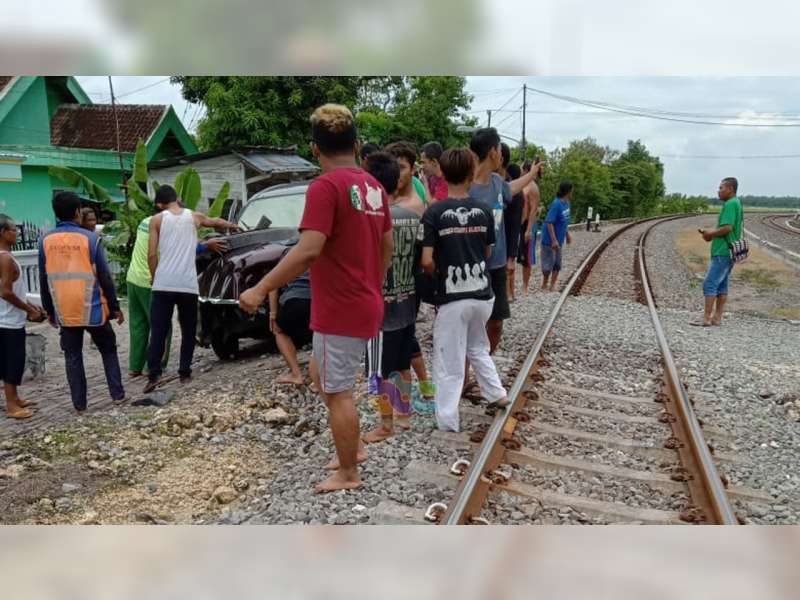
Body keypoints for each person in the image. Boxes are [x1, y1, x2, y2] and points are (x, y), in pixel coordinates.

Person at [238, 103, 393, 493]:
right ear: (356, 145)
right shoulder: (373, 186)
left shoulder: (325, 187)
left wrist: (259, 289)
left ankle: (349, 471)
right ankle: (352, 449)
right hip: (358, 300)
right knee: (320, 374)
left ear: (314, 149)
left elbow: (307, 250)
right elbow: (386, 243)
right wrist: (374, 281)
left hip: (341, 306)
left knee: (338, 390)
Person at [420, 147, 508, 432]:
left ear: (442, 174)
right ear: (472, 174)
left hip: (453, 296)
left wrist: (440, 274)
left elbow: (426, 260)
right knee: (477, 346)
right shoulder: (483, 211)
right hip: (483, 294)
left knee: (449, 361)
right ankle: (496, 393)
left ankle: (447, 420)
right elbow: (486, 250)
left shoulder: (435, 212)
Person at [143, 185, 238, 393]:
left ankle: (153, 375)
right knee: (188, 330)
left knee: (158, 330)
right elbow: (216, 221)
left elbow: (151, 254)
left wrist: (154, 276)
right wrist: (233, 226)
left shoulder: (156, 220)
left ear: (159, 204)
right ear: (177, 198)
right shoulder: (194, 216)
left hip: (163, 284)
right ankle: (184, 373)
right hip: (187, 285)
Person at [39, 192, 126, 415]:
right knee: (108, 350)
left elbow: (43, 277)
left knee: (73, 356)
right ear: (78, 212)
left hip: (65, 310)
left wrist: (49, 310)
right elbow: (105, 276)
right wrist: (115, 307)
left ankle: (80, 406)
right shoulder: (90, 239)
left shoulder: (45, 241)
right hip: (93, 306)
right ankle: (117, 395)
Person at [361, 150, 422, 443]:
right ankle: (405, 414)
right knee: (403, 365)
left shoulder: (372, 221)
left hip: (381, 309)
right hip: (408, 301)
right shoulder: (412, 217)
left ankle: (385, 424)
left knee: (380, 372)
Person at [468, 128, 542, 355]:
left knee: (496, 322)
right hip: (472, 267)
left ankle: (484, 362)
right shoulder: (467, 186)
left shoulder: (497, 182)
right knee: (471, 324)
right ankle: (466, 371)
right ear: (492, 152)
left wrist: (532, 174)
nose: (502, 153)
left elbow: (512, 188)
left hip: (497, 266)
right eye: (500, 148)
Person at [127, 211, 227, 378]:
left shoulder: (146, 222)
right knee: (162, 326)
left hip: (133, 279)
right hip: (149, 281)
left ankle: (135, 367)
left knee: (138, 325)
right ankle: (153, 367)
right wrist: (206, 245)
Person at [385, 141, 436, 408]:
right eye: (394, 167)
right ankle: (415, 394)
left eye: (403, 167)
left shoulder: (413, 205)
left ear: (412, 168)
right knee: (405, 341)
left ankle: (406, 399)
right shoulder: (388, 198)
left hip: (408, 281)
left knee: (404, 341)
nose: (398, 173)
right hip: (390, 283)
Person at [0, 215, 45, 419]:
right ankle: (11, 405)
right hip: (8, 320)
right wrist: (28, 310)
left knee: (13, 360)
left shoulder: (7, 256)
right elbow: (6, 292)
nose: (16, 233)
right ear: (3, 232)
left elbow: (15, 291)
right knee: (13, 361)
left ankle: (15, 398)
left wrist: (29, 305)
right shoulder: (5, 258)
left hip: (10, 317)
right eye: (13, 230)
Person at [695, 177, 743, 327]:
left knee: (710, 283)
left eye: (721, 188)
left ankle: (706, 318)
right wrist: (710, 233)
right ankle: (717, 318)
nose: (719, 191)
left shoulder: (730, 204)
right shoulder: (737, 203)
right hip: (729, 252)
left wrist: (709, 234)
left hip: (723, 251)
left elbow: (727, 227)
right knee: (722, 285)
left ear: (730, 189)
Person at [268, 271, 312, 385]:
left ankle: (296, 374)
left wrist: (273, 316)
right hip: (320, 299)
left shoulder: (289, 256)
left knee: (280, 331)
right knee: (322, 334)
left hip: (294, 299)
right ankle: (322, 375)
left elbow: (273, 285)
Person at [540, 181, 573, 292]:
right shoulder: (556, 204)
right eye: (571, 190)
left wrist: (567, 234)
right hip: (549, 239)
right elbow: (549, 222)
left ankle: (552, 285)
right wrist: (553, 240)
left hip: (559, 239)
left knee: (557, 263)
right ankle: (544, 284)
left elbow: (564, 221)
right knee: (548, 263)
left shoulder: (567, 204)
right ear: (568, 191)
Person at [503, 159, 524, 302]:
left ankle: (507, 294)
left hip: (508, 229)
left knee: (507, 265)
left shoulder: (511, 191)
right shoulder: (520, 192)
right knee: (511, 263)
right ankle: (512, 293)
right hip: (515, 228)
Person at [521, 159, 543, 294]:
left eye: (523, 168)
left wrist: (529, 229)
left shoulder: (533, 187)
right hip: (519, 223)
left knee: (527, 258)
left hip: (528, 224)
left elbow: (534, 210)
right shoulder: (522, 184)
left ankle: (525, 286)